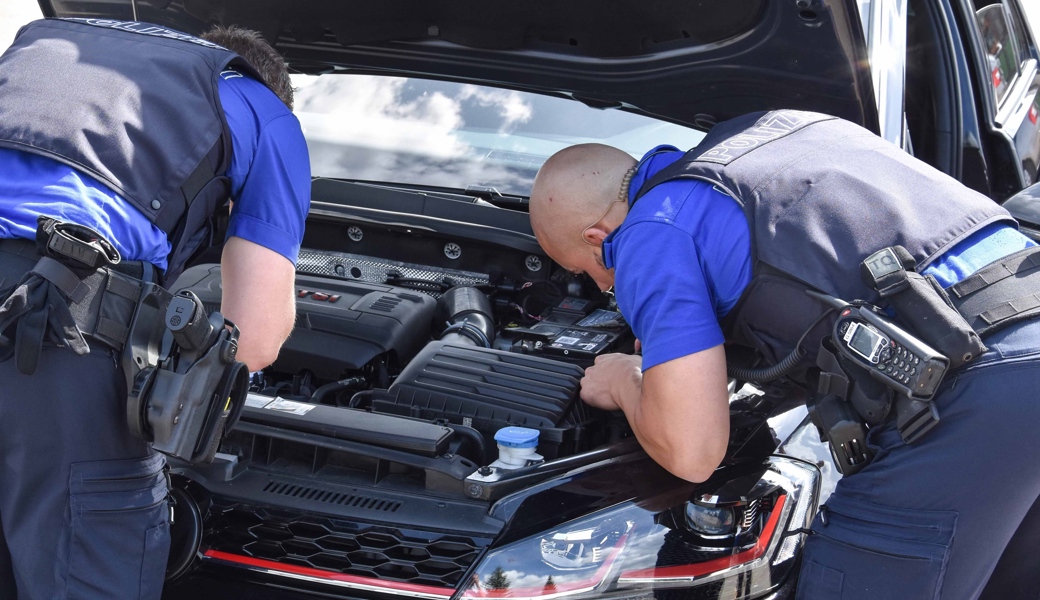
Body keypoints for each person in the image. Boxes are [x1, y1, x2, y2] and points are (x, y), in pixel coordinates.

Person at [529, 110, 1040, 599]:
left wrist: (625, 381)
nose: (605, 288)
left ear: (597, 238)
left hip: (971, 385)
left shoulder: (651, 232)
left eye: (588, 274)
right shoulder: (779, 130)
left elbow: (692, 453)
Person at [0, 18, 310, 600]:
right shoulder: (268, 113)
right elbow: (255, 339)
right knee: (87, 563)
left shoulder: (49, 52)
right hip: (55, 328)